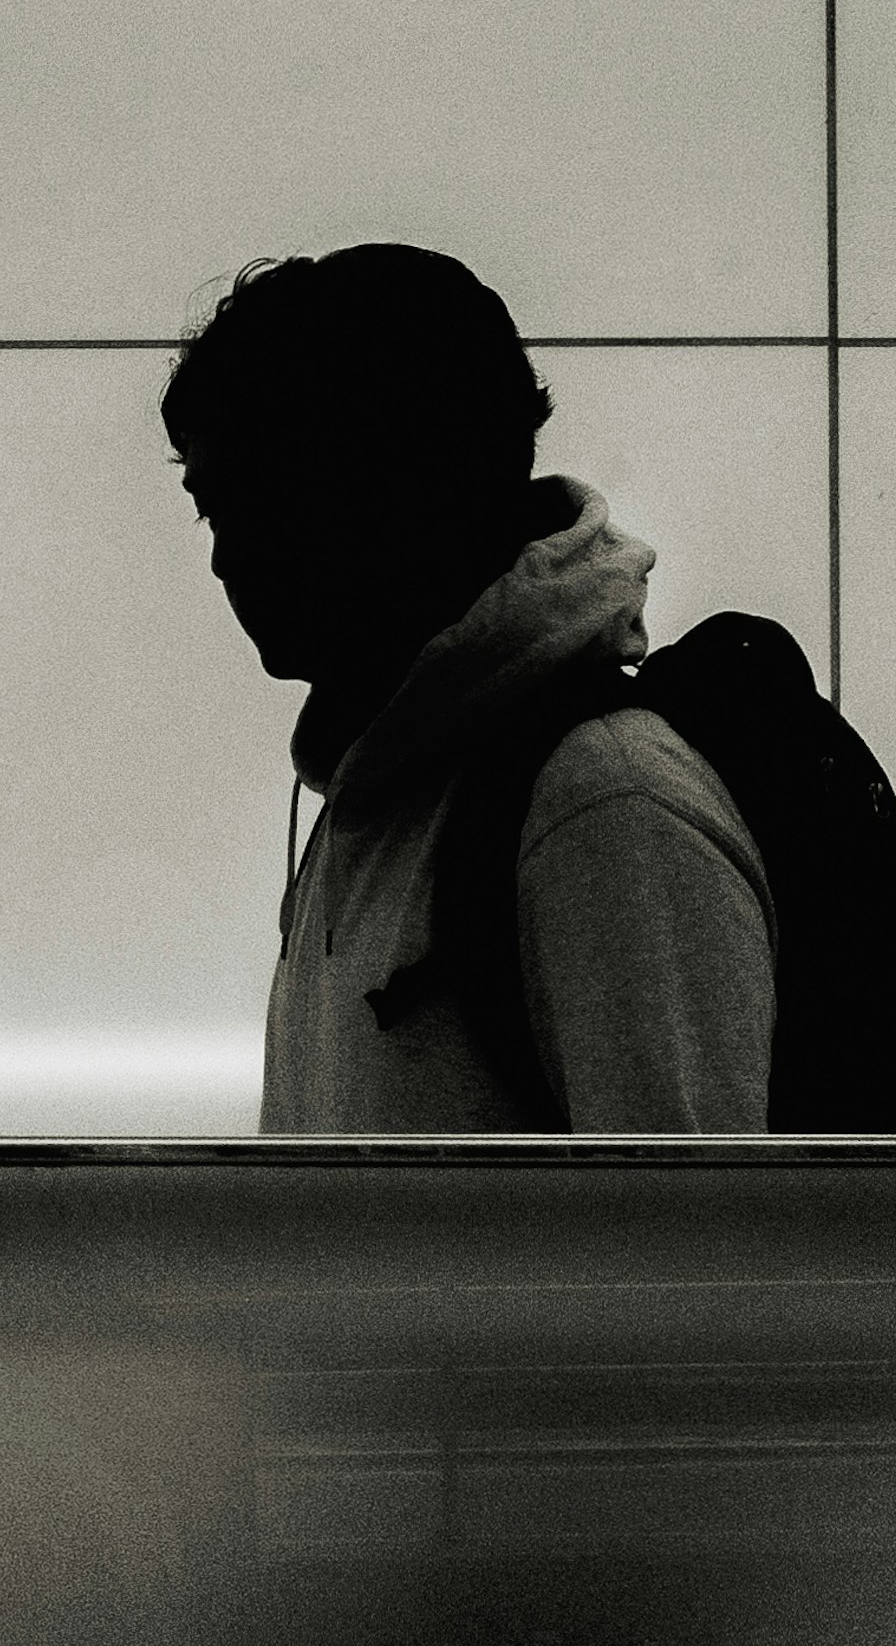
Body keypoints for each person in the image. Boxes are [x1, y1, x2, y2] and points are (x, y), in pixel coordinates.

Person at [164, 243, 773, 1133]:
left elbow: (694, 1261)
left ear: (398, 484)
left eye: (262, 498)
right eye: (210, 509)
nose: (225, 557)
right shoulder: (373, 789)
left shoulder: (603, 806)